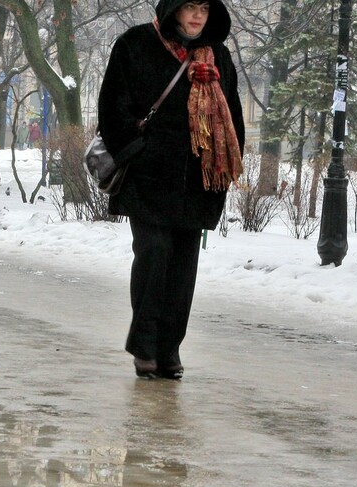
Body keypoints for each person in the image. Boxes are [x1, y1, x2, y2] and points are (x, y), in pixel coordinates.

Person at [97, 0, 244, 380]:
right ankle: (145, 345)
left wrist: (223, 170)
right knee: (154, 253)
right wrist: (135, 151)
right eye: (189, 6)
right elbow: (112, 107)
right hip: (148, 179)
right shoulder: (136, 45)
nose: (197, 16)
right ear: (173, 8)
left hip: (198, 183)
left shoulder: (219, 58)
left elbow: (234, 118)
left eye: (204, 8)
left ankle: (169, 349)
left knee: (182, 269)